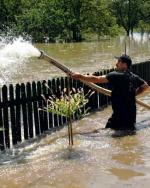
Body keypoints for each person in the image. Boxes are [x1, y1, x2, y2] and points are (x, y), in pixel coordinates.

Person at [71, 54, 149, 131]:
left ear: (124, 65)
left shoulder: (115, 75)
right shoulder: (134, 77)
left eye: (118, 62)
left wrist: (80, 76)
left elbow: (97, 79)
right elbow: (145, 86)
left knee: (111, 135)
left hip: (119, 117)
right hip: (131, 117)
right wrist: (134, 94)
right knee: (128, 134)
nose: (116, 64)